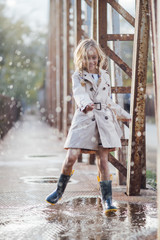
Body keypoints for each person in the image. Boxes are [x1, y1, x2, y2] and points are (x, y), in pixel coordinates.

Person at [46, 39, 131, 214]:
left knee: (103, 161)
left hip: (103, 119)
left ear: (98, 57)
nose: (91, 61)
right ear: (81, 59)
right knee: (71, 156)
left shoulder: (105, 76)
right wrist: (85, 104)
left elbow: (108, 101)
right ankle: (59, 191)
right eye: (87, 58)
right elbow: (79, 93)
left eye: (93, 57)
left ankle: (107, 200)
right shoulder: (77, 75)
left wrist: (125, 116)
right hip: (84, 117)